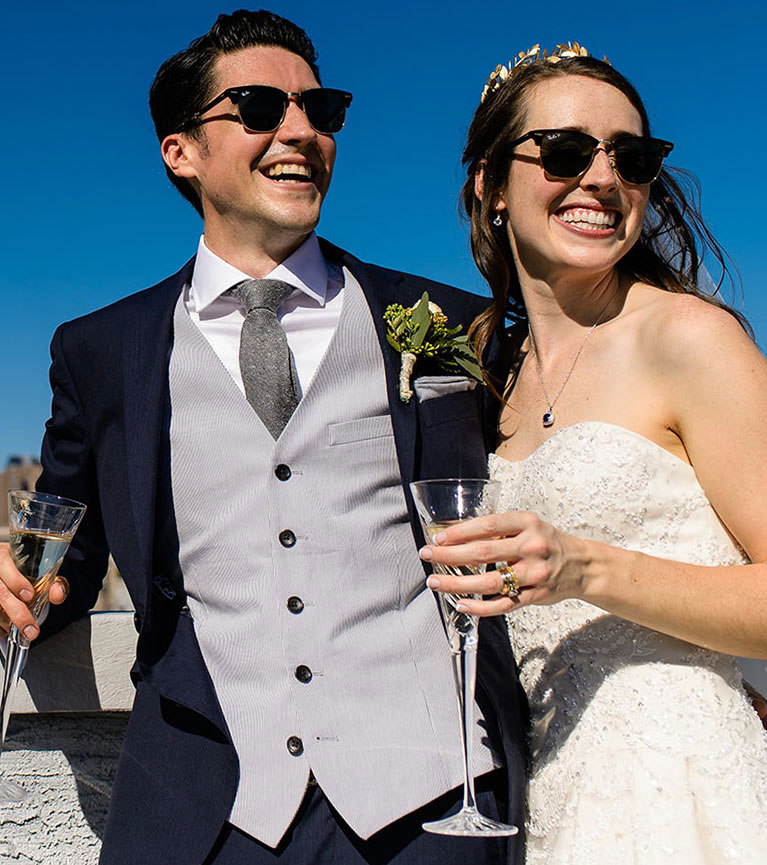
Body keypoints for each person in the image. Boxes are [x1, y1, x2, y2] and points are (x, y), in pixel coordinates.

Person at [0, 10, 527, 865]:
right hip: (208, 809)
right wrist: (18, 581)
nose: (299, 130)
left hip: (433, 801)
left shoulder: (451, 323)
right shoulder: (100, 350)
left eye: (319, 109)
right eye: (256, 108)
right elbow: (67, 556)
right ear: (181, 151)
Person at [418, 43, 767, 864]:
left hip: (680, 793)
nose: (603, 179)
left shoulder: (688, 339)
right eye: (567, 152)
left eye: (631, 157)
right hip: (541, 793)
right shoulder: (486, 372)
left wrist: (585, 570)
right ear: (489, 187)